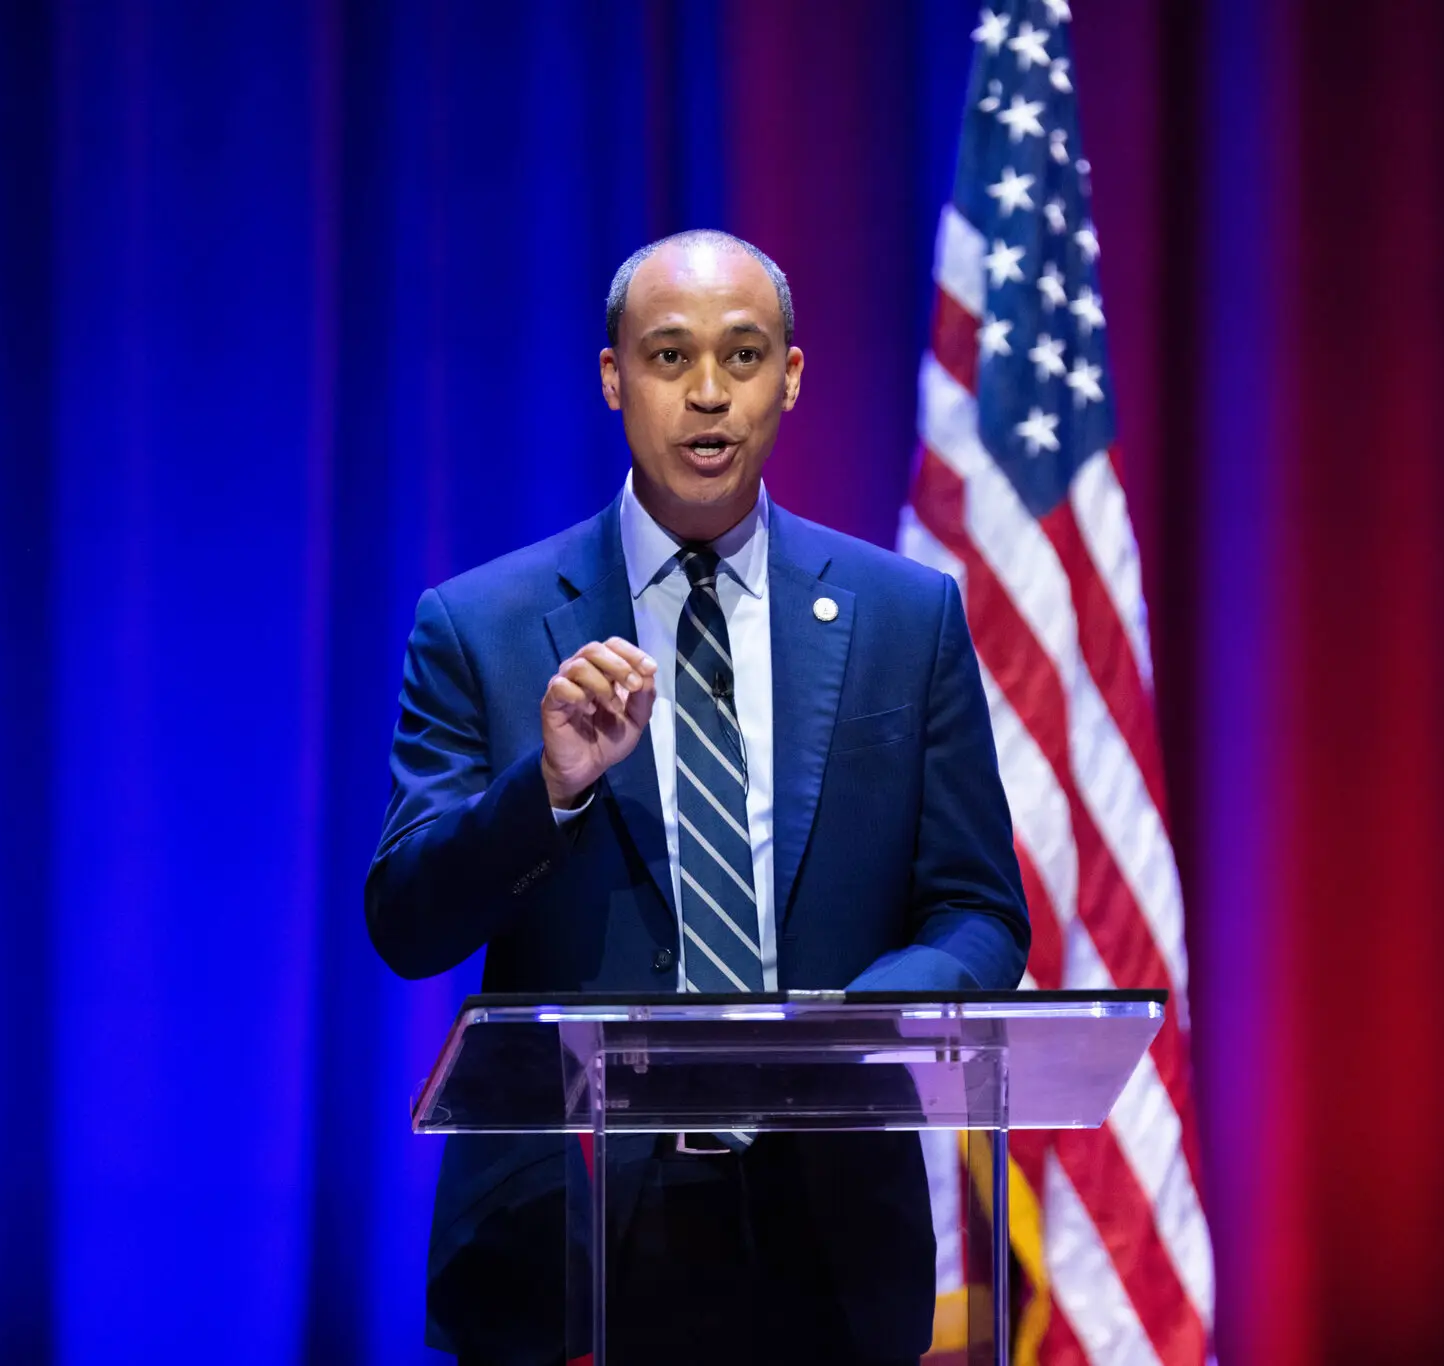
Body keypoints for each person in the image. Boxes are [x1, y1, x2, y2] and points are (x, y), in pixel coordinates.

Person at [365, 229, 1029, 1366]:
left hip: (829, 1237)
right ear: (614, 378)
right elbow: (408, 923)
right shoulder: (478, 625)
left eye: (743, 354)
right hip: (564, 1239)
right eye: (670, 359)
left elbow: (977, 911)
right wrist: (552, 790)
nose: (709, 394)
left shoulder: (905, 617)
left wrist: (849, 1025)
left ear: (791, 376)